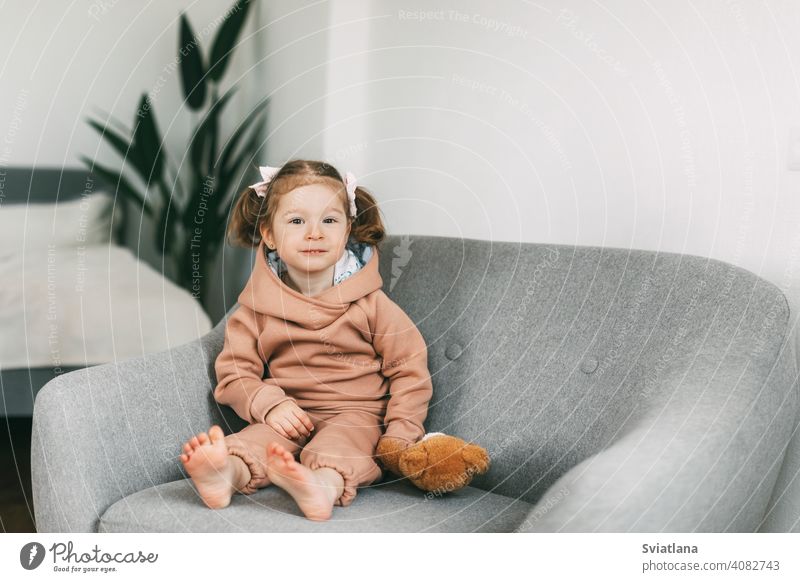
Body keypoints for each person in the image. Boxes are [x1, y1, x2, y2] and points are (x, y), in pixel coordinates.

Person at [179, 159, 433, 521]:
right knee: (255, 441)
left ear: (347, 230)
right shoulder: (256, 310)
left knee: (341, 447)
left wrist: (400, 435)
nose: (314, 232)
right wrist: (270, 404)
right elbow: (235, 372)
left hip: (357, 415)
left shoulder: (371, 304)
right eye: (297, 221)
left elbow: (410, 370)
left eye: (329, 220)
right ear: (268, 234)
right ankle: (225, 475)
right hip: (289, 413)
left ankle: (321, 487)